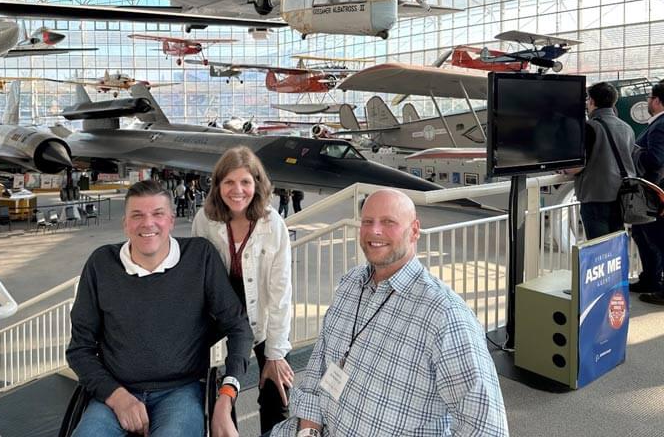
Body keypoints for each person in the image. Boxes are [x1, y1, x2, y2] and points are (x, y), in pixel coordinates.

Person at [270, 189, 508, 436]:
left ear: (414, 230)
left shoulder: (444, 316)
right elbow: (318, 370)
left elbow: (485, 427)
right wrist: (308, 431)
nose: (374, 231)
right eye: (367, 222)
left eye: (388, 222)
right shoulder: (350, 286)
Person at [66, 180, 253, 437]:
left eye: (158, 214)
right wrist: (118, 397)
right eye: (137, 215)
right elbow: (79, 349)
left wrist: (227, 395)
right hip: (116, 392)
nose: (148, 223)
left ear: (172, 221)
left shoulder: (200, 257)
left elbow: (237, 326)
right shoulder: (101, 264)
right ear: (125, 224)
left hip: (182, 390)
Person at [192, 147, 294, 433]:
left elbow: (280, 291)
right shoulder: (205, 220)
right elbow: (199, 277)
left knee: (277, 391)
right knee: (218, 390)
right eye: (229, 182)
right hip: (219, 316)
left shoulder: (272, 224)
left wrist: (275, 353)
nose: (237, 190)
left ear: (257, 184)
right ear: (218, 185)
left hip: (262, 315)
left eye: (245, 182)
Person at [571, 82, 636, 240]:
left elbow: (577, 167)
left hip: (595, 197)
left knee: (599, 249)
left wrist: (565, 170)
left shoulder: (590, 127)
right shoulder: (626, 128)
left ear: (592, 102)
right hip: (622, 196)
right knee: (615, 248)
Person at [633, 82, 664, 301]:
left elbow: (656, 159)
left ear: (657, 100)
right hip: (652, 193)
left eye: (649, 97)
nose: (647, 101)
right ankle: (650, 278)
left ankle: (657, 285)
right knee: (643, 235)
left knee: (657, 239)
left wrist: (634, 151)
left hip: (654, 193)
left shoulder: (660, 125)